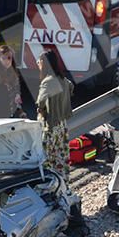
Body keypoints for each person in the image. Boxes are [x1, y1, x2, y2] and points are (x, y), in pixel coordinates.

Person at [36, 50, 73, 184]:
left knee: (46, 159)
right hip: (62, 125)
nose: (38, 65)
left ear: (45, 64)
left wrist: (41, 110)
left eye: (39, 62)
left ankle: (50, 187)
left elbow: (40, 102)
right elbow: (71, 88)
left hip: (49, 126)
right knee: (61, 158)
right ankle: (64, 185)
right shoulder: (63, 79)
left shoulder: (47, 82)